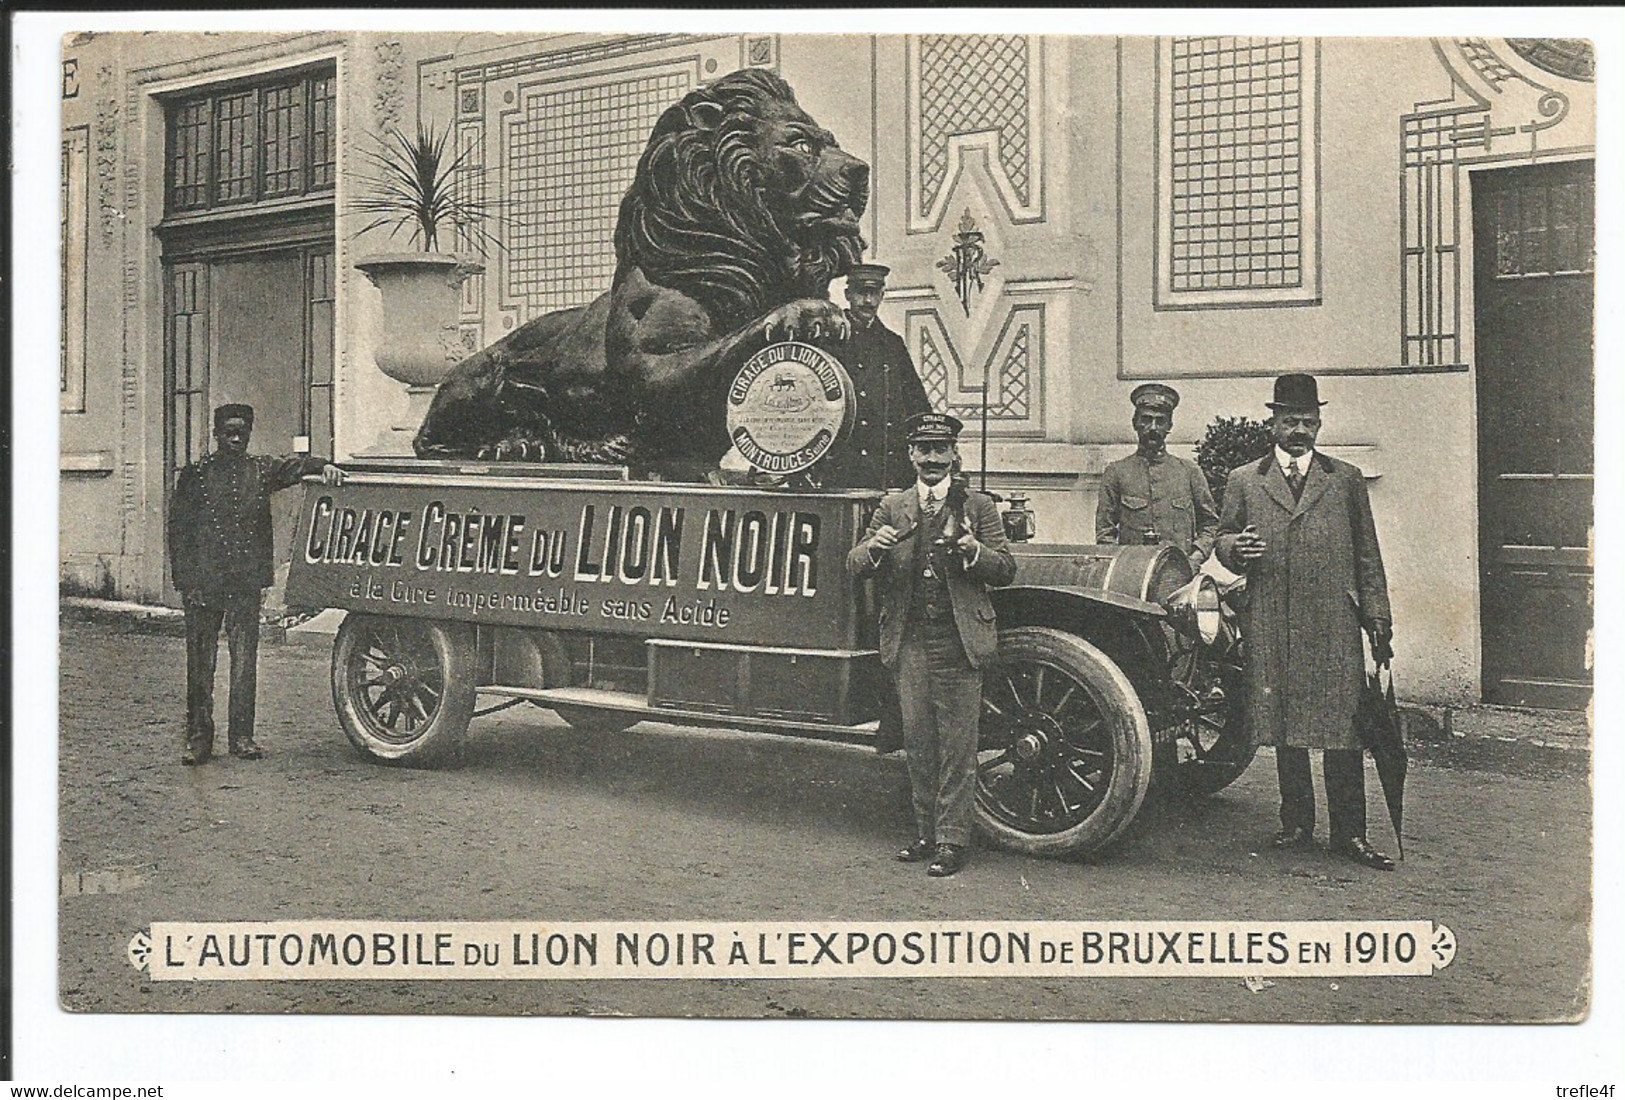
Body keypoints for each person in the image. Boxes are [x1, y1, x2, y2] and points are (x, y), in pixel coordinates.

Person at [1214, 375, 1397, 870]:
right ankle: (1296, 823)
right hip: (1271, 614)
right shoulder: (1244, 480)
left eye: (1308, 421)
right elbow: (1223, 537)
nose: (1299, 430)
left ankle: (1350, 834)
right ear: (1272, 422)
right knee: (1284, 724)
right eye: (1290, 420)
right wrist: (1237, 550)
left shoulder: (1346, 479)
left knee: (1345, 729)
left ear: (1319, 423)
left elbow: (1368, 553)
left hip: (1333, 620)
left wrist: (1378, 616)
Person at [847, 412, 1017, 877]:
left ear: (954, 456)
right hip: (910, 641)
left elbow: (1005, 568)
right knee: (919, 743)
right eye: (924, 450)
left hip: (959, 639)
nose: (932, 460)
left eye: (940, 450)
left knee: (958, 747)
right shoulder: (892, 507)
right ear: (911, 456)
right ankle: (925, 834)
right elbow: (855, 562)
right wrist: (876, 547)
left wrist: (973, 551)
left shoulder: (978, 507)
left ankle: (952, 841)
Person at [168, 404, 345, 765]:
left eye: (242, 433)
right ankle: (199, 737)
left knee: (245, 660)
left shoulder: (261, 470)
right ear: (216, 434)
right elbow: (179, 530)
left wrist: (322, 465)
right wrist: (185, 580)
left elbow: (296, 467)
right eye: (229, 432)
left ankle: (242, 737)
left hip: (244, 582)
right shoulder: (196, 475)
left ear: (248, 434)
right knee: (200, 663)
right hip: (204, 583)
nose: (235, 439)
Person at [819, 263, 932, 492]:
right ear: (848, 295)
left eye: (874, 294)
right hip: (844, 467)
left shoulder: (892, 343)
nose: (868, 301)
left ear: (882, 295)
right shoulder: (829, 341)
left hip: (889, 468)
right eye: (861, 293)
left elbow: (916, 402)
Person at [1096, 382, 1219, 568]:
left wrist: (1195, 558)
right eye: (1146, 419)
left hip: (1179, 573)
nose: (1153, 428)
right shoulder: (1116, 472)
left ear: (1169, 426)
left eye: (1160, 421)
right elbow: (1105, 532)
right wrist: (1120, 567)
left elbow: (1210, 524)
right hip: (1131, 575)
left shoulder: (1189, 471)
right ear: (1135, 423)